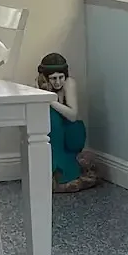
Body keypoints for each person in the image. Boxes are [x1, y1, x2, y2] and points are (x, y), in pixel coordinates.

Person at [37, 52, 98, 192]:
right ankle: (54, 169)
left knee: (54, 114)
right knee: (51, 118)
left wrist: (51, 100)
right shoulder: (39, 85)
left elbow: (72, 115)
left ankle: (69, 169)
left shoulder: (69, 84)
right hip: (54, 135)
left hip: (72, 132)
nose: (58, 82)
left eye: (61, 77)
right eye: (53, 78)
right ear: (45, 78)